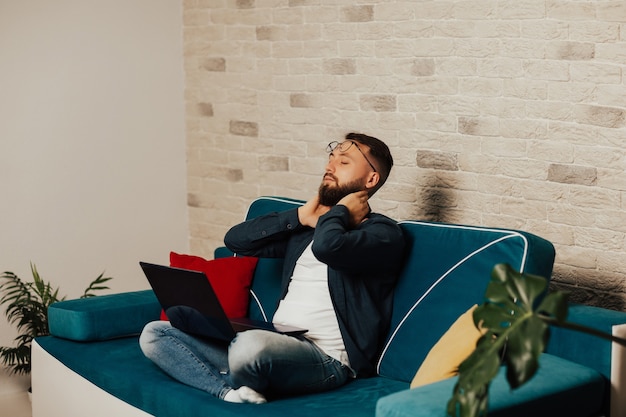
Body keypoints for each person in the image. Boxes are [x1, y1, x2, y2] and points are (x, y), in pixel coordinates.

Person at [139, 132, 406, 403]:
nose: (329, 166)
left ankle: (234, 374)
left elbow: (327, 247)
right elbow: (236, 240)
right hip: (275, 342)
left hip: (326, 359)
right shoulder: (308, 228)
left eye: (344, 162)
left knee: (247, 347)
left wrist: (340, 212)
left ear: (371, 179)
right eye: (331, 158)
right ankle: (230, 392)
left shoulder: (382, 233)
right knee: (155, 332)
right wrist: (300, 215)